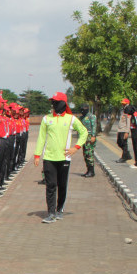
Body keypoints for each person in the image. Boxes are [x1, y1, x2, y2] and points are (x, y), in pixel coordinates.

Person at [33, 92, 88, 223]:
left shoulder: (71, 119)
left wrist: (76, 147)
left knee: (62, 185)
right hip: (49, 157)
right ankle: (51, 212)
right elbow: (41, 138)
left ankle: (59, 209)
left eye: (56, 102)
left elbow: (84, 132)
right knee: (50, 185)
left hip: (64, 158)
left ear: (63, 103)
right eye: (53, 102)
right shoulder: (46, 119)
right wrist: (37, 155)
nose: (54, 104)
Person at [78, 103, 97, 177]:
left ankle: (91, 171)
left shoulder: (92, 116)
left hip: (89, 136)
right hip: (84, 137)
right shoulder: (81, 117)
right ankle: (88, 170)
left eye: (83, 109)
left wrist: (93, 136)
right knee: (85, 154)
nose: (82, 111)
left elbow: (94, 126)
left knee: (89, 154)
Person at [115, 97, 132, 163]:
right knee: (119, 143)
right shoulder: (123, 110)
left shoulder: (128, 110)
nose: (123, 105)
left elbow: (128, 122)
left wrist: (127, 132)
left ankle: (124, 157)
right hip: (120, 129)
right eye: (123, 103)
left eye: (124, 104)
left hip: (124, 130)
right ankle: (127, 155)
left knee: (124, 144)